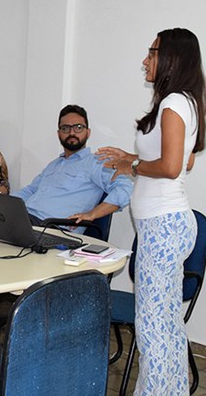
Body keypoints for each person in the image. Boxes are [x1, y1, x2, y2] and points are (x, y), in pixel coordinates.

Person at [97, 28, 205, 396]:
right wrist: (132, 159)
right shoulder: (186, 101)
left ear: (172, 57)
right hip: (168, 224)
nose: (145, 60)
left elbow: (174, 166)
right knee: (166, 325)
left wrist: (135, 167)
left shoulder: (174, 103)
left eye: (152, 52)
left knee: (153, 328)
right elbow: (185, 157)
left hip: (163, 227)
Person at [13, 104, 132, 228]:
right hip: (26, 220)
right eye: (65, 128)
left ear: (88, 132)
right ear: (59, 134)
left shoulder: (97, 161)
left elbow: (126, 189)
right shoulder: (54, 165)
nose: (71, 132)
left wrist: (92, 214)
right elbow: (30, 190)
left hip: (53, 228)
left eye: (78, 127)